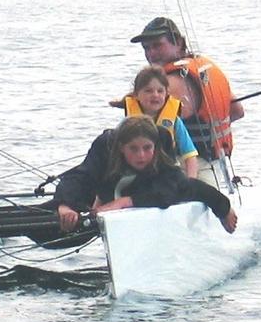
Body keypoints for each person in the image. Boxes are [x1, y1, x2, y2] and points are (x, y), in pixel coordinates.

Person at [127, 16, 244, 180]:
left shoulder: (169, 83)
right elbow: (237, 111)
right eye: (146, 48)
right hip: (217, 162)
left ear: (179, 43)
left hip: (189, 167)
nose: (151, 53)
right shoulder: (202, 68)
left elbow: (141, 130)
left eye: (157, 45)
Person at [88, 116, 236, 232]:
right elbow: (93, 185)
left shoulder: (166, 168)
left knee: (187, 187)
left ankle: (226, 208)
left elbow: (168, 195)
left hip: (174, 190)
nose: (141, 155)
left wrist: (124, 202)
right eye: (133, 149)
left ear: (154, 147)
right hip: (129, 191)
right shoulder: (110, 159)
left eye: (147, 148)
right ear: (122, 148)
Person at [122, 64, 199, 179]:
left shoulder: (174, 121)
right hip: (136, 175)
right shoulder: (127, 123)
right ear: (136, 95)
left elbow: (190, 155)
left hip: (166, 175)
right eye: (148, 91)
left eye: (160, 91)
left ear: (166, 94)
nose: (155, 95)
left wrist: (191, 181)